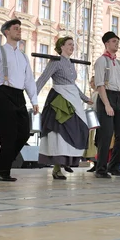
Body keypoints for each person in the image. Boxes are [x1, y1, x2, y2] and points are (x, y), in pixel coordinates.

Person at [0, 19, 39, 182]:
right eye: (15, 28)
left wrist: (34, 100)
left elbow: (29, 79)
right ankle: (3, 171)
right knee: (8, 135)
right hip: (3, 92)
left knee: (24, 133)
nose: (19, 31)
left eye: (19, 28)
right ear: (6, 32)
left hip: (19, 95)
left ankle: (4, 164)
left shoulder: (23, 56)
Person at [36, 36, 93, 180]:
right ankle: (58, 166)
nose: (72, 47)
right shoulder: (55, 62)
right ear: (61, 46)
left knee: (78, 129)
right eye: (69, 44)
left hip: (72, 98)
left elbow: (72, 84)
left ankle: (67, 161)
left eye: (73, 45)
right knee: (60, 133)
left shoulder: (71, 63)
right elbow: (43, 78)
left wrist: (85, 98)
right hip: (60, 100)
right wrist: (32, 96)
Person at [93, 31, 120, 178]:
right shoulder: (101, 61)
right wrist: (107, 104)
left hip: (118, 98)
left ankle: (114, 165)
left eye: (117, 41)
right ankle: (101, 169)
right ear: (106, 44)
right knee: (106, 134)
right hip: (106, 96)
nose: (116, 43)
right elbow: (100, 84)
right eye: (113, 41)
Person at [84, 76, 99, 172]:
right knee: (91, 145)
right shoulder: (93, 94)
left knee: (95, 144)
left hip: (95, 119)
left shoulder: (98, 94)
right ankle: (94, 163)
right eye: (90, 81)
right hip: (91, 120)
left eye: (93, 81)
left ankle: (98, 163)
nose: (91, 83)